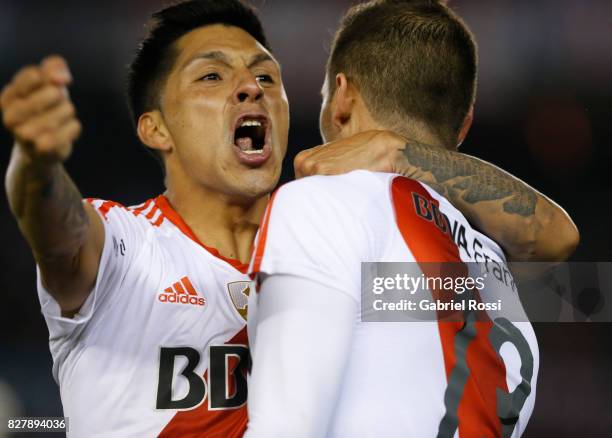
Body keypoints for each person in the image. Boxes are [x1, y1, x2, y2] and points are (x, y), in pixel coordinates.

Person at [1, 0, 576, 436]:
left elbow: (556, 244)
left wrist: (405, 151)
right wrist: (34, 162)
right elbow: (56, 232)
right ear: (156, 127)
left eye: (267, 77)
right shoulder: (129, 246)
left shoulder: (336, 239)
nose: (250, 88)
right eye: (212, 76)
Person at [245, 1, 561, 437]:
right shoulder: (494, 267)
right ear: (463, 126)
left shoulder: (326, 202)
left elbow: (288, 426)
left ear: (342, 97)